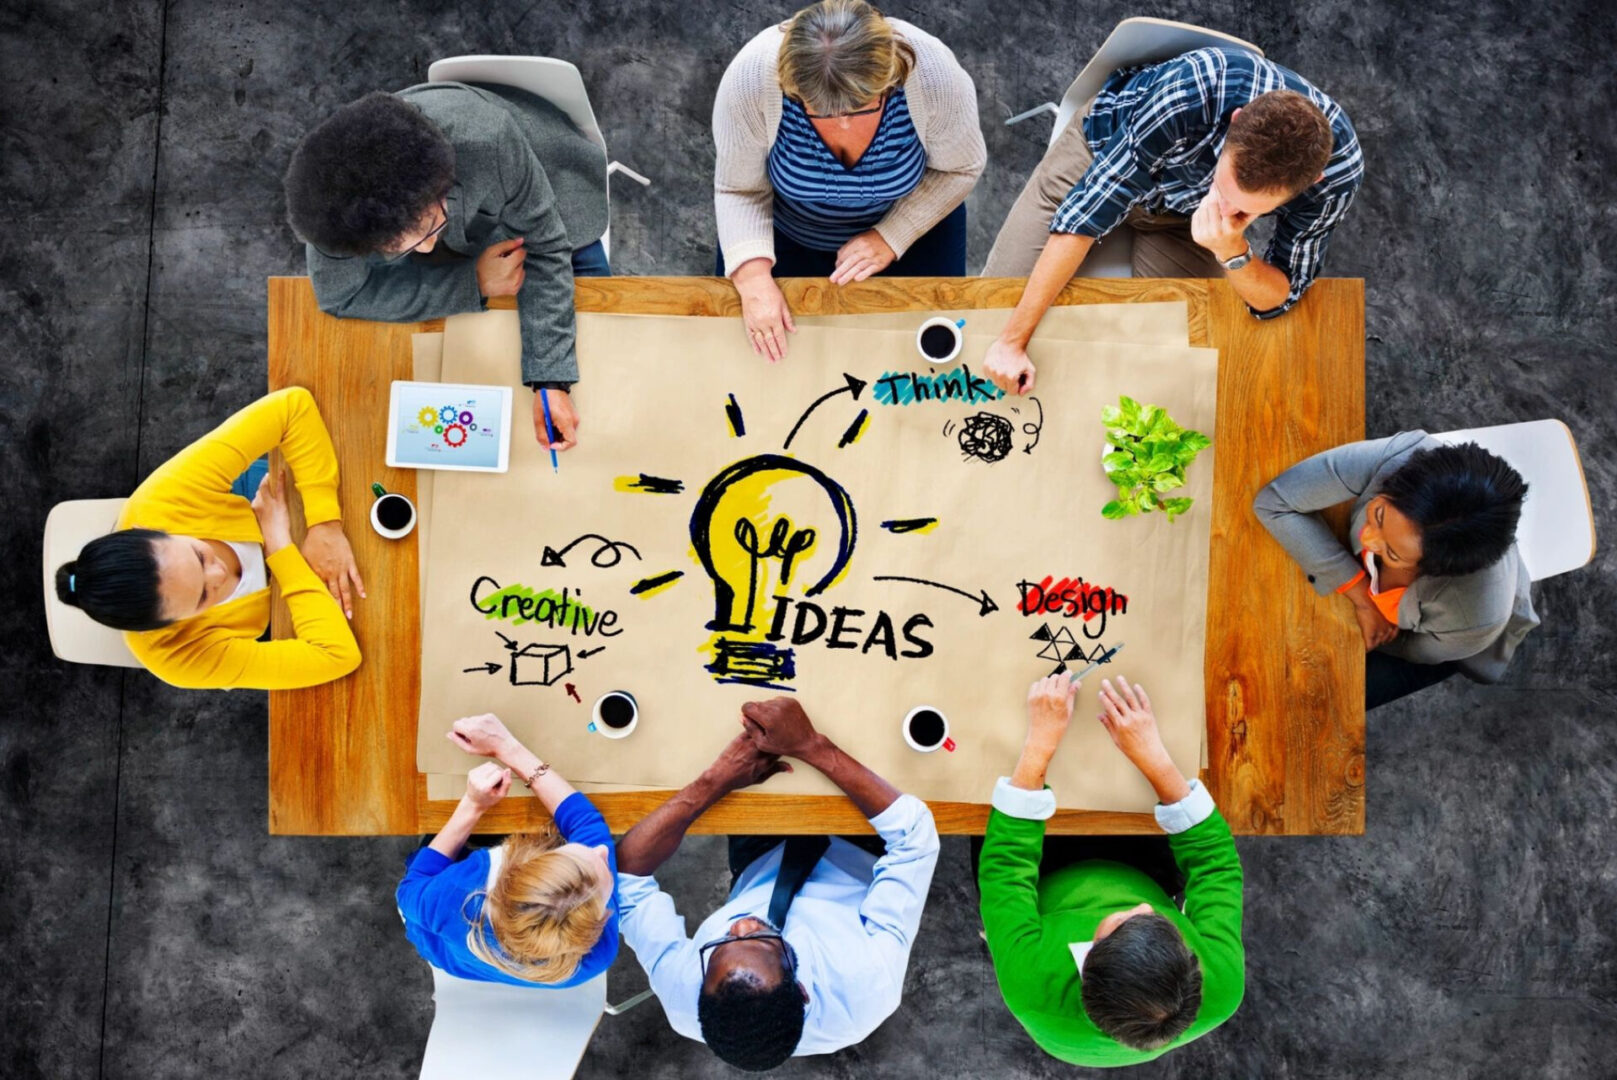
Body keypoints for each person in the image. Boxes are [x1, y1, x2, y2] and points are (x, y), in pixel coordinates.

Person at [982, 47, 1363, 395]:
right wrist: (1012, 342)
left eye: (1246, 212)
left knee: (1178, 371)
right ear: (1236, 120)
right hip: (1102, 155)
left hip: (1181, 217)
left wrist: (1233, 251)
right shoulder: (1192, 88)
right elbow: (1086, 215)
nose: (1225, 211)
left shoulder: (1337, 178)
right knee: (988, 316)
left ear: (1313, 181)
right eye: (1223, 188)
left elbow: (1280, 298)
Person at [284, 81, 612, 449]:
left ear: (439, 185)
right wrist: (473, 282)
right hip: (471, 229)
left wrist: (551, 381)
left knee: (604, 347)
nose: (424, 250)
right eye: (399, 247)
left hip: (549, 185)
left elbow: (548, 246)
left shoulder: (489, 139)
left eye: (428, 229)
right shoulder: (332, 210)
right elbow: (340, 297)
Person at [615, 700, 939, 1070]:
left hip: (760, 855)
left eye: (721, 945)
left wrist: (717, 779)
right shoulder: (868, 984)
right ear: (800, 989)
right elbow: (914, 838)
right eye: (762, 941)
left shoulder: (682, 993)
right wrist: (810, 746)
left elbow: (625, 874)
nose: (740, 925)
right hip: (865, 843)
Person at [978, 673, 1244, 1067]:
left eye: (1122, 921)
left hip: (1040, 884)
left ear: (1087, 958)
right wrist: (1154, 758)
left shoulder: (1029, 985)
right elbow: (1216, 867)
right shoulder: (1221, 984)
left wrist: (1039, 745)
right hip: (1143, 869)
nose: (1143, 908)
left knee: (985, 799)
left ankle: (1000, 932)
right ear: (1192, 967)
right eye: (1164, 921)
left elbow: (1004, 871)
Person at [714, 0, 986, 361]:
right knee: (765, 367)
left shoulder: (934, 76)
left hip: (914, 234)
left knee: (917, 371)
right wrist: (752, 279)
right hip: (784, 238)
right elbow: (739, 188)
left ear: (889, 80)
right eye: (820, 110)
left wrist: (892, 235)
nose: (842, 124)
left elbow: (960, 168)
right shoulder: (751, 78)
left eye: (860, 107)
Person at [53, 388, 362, 690]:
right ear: (168, 626)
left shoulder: (161, 500)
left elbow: (292, 408)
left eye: (199, 556)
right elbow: (335, 655)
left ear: (154, 530)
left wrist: (325, 524)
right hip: (289, 590)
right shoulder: (173, 657)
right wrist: (279, 547)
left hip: (267, 502)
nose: (220, 574)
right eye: (203, 596)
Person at [1254, 432, 1535, 708]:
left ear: (1433, 570)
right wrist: (1363, 598)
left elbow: (1413, 650)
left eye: (1392, 553)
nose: (1367, 538)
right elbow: (1274, 503)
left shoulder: (1473, 618)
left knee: (1320, 701)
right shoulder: (1402, 455)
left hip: (1433, 644)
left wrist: (1352, 640)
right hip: (1388, 610)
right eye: (1378, 514)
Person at [396, 713, 620, 987]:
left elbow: (410, 888)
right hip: (476, 961)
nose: (602, 852)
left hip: (441, 944)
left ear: (521, 866)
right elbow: (587, 824)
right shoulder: (597, 953)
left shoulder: (455, 892)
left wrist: (473, 804)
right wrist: (507, 748)